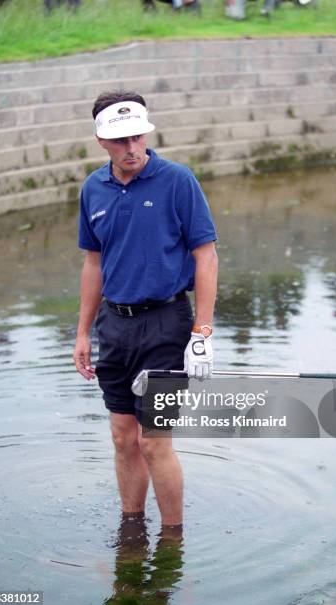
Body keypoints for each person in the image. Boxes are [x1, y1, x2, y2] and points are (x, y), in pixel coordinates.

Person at [73, 91, 218, 529]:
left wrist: (202, 333)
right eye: (120, 141)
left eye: (137, 137)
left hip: (166, 325)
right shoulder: (93, 189)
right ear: (101, 140)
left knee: (153, 440)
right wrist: (82, 333)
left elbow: (205, 256)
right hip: (113, 327)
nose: (132, 148)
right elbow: (93, 262)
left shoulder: (178, 181)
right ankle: (132, 530)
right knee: (123, 438)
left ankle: (172, 541)